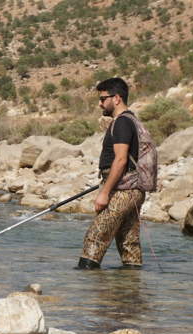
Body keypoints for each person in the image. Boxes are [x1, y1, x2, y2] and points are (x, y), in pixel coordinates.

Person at [78, 78, 146, 269]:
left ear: (116, 98)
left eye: (102, 99)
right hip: (133, 188)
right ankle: (128, 294)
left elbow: (120, 160)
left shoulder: (122, 122)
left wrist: (105, 193)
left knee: (96, 236)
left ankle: (86, 289)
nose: (100, 104)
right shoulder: (131, 120)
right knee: (128, 242)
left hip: (123, 190)